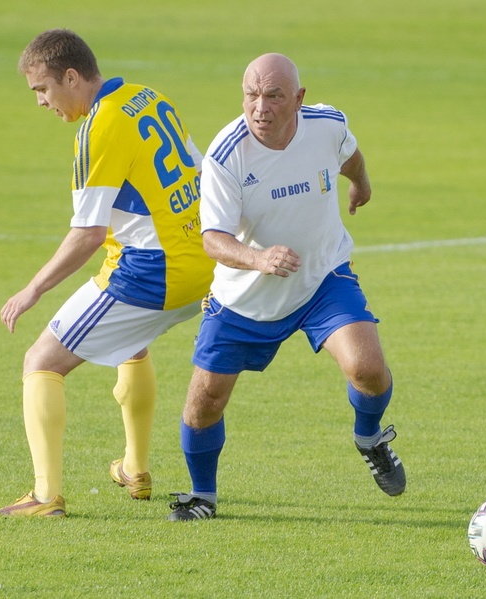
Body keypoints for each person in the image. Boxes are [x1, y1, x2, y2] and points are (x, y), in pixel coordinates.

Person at [167, 53, 405, 521]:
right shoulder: (225, 154)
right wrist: (258, 258)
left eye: (274, 96)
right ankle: (203, 496)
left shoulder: (326, 124)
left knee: (368, 368)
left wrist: (361, 183)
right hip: (244, 298)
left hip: (322, 278)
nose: (260, 107)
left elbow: (349, 155)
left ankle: (369, 438)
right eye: (251, 95)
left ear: (298, 99)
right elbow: (212, 238)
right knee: (204, 402)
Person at [0, 29, 213, 518]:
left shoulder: (98, 128)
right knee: (131, 342)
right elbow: (201, 174)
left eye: (43, 89)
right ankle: (134, 468)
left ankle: (45, 497)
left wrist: (32, 290)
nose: (41, 102)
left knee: (41, 361)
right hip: (202, 262)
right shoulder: (147, 97)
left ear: (71, 77)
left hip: (152, 272)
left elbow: (87, 234)